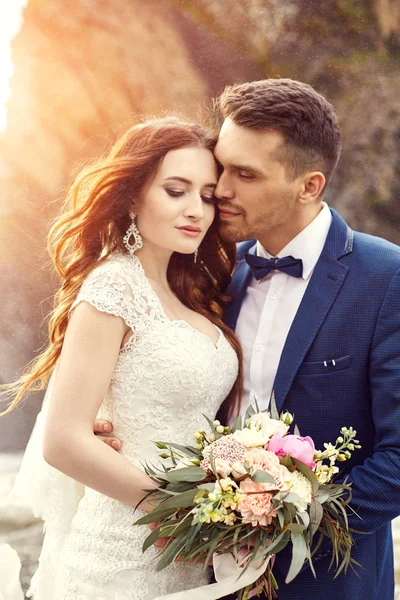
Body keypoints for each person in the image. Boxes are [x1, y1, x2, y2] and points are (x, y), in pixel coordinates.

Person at [97, 79, 400, 600]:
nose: (221, 190)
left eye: (246, 174)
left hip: (330, 580)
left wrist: (284, 525)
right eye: (223, 166)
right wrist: (113, 420)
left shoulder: (386, 278)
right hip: (198, 572)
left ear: (309, 186)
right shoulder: (211, 270)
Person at [2, 116, 242, 599]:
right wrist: (181, 519)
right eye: (176, 190)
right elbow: (65, 441)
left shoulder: (195, 295)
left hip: (190, 555)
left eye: (208, 195)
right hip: (124, 550)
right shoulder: (113, 285)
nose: (196, 209)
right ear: (133, 197)